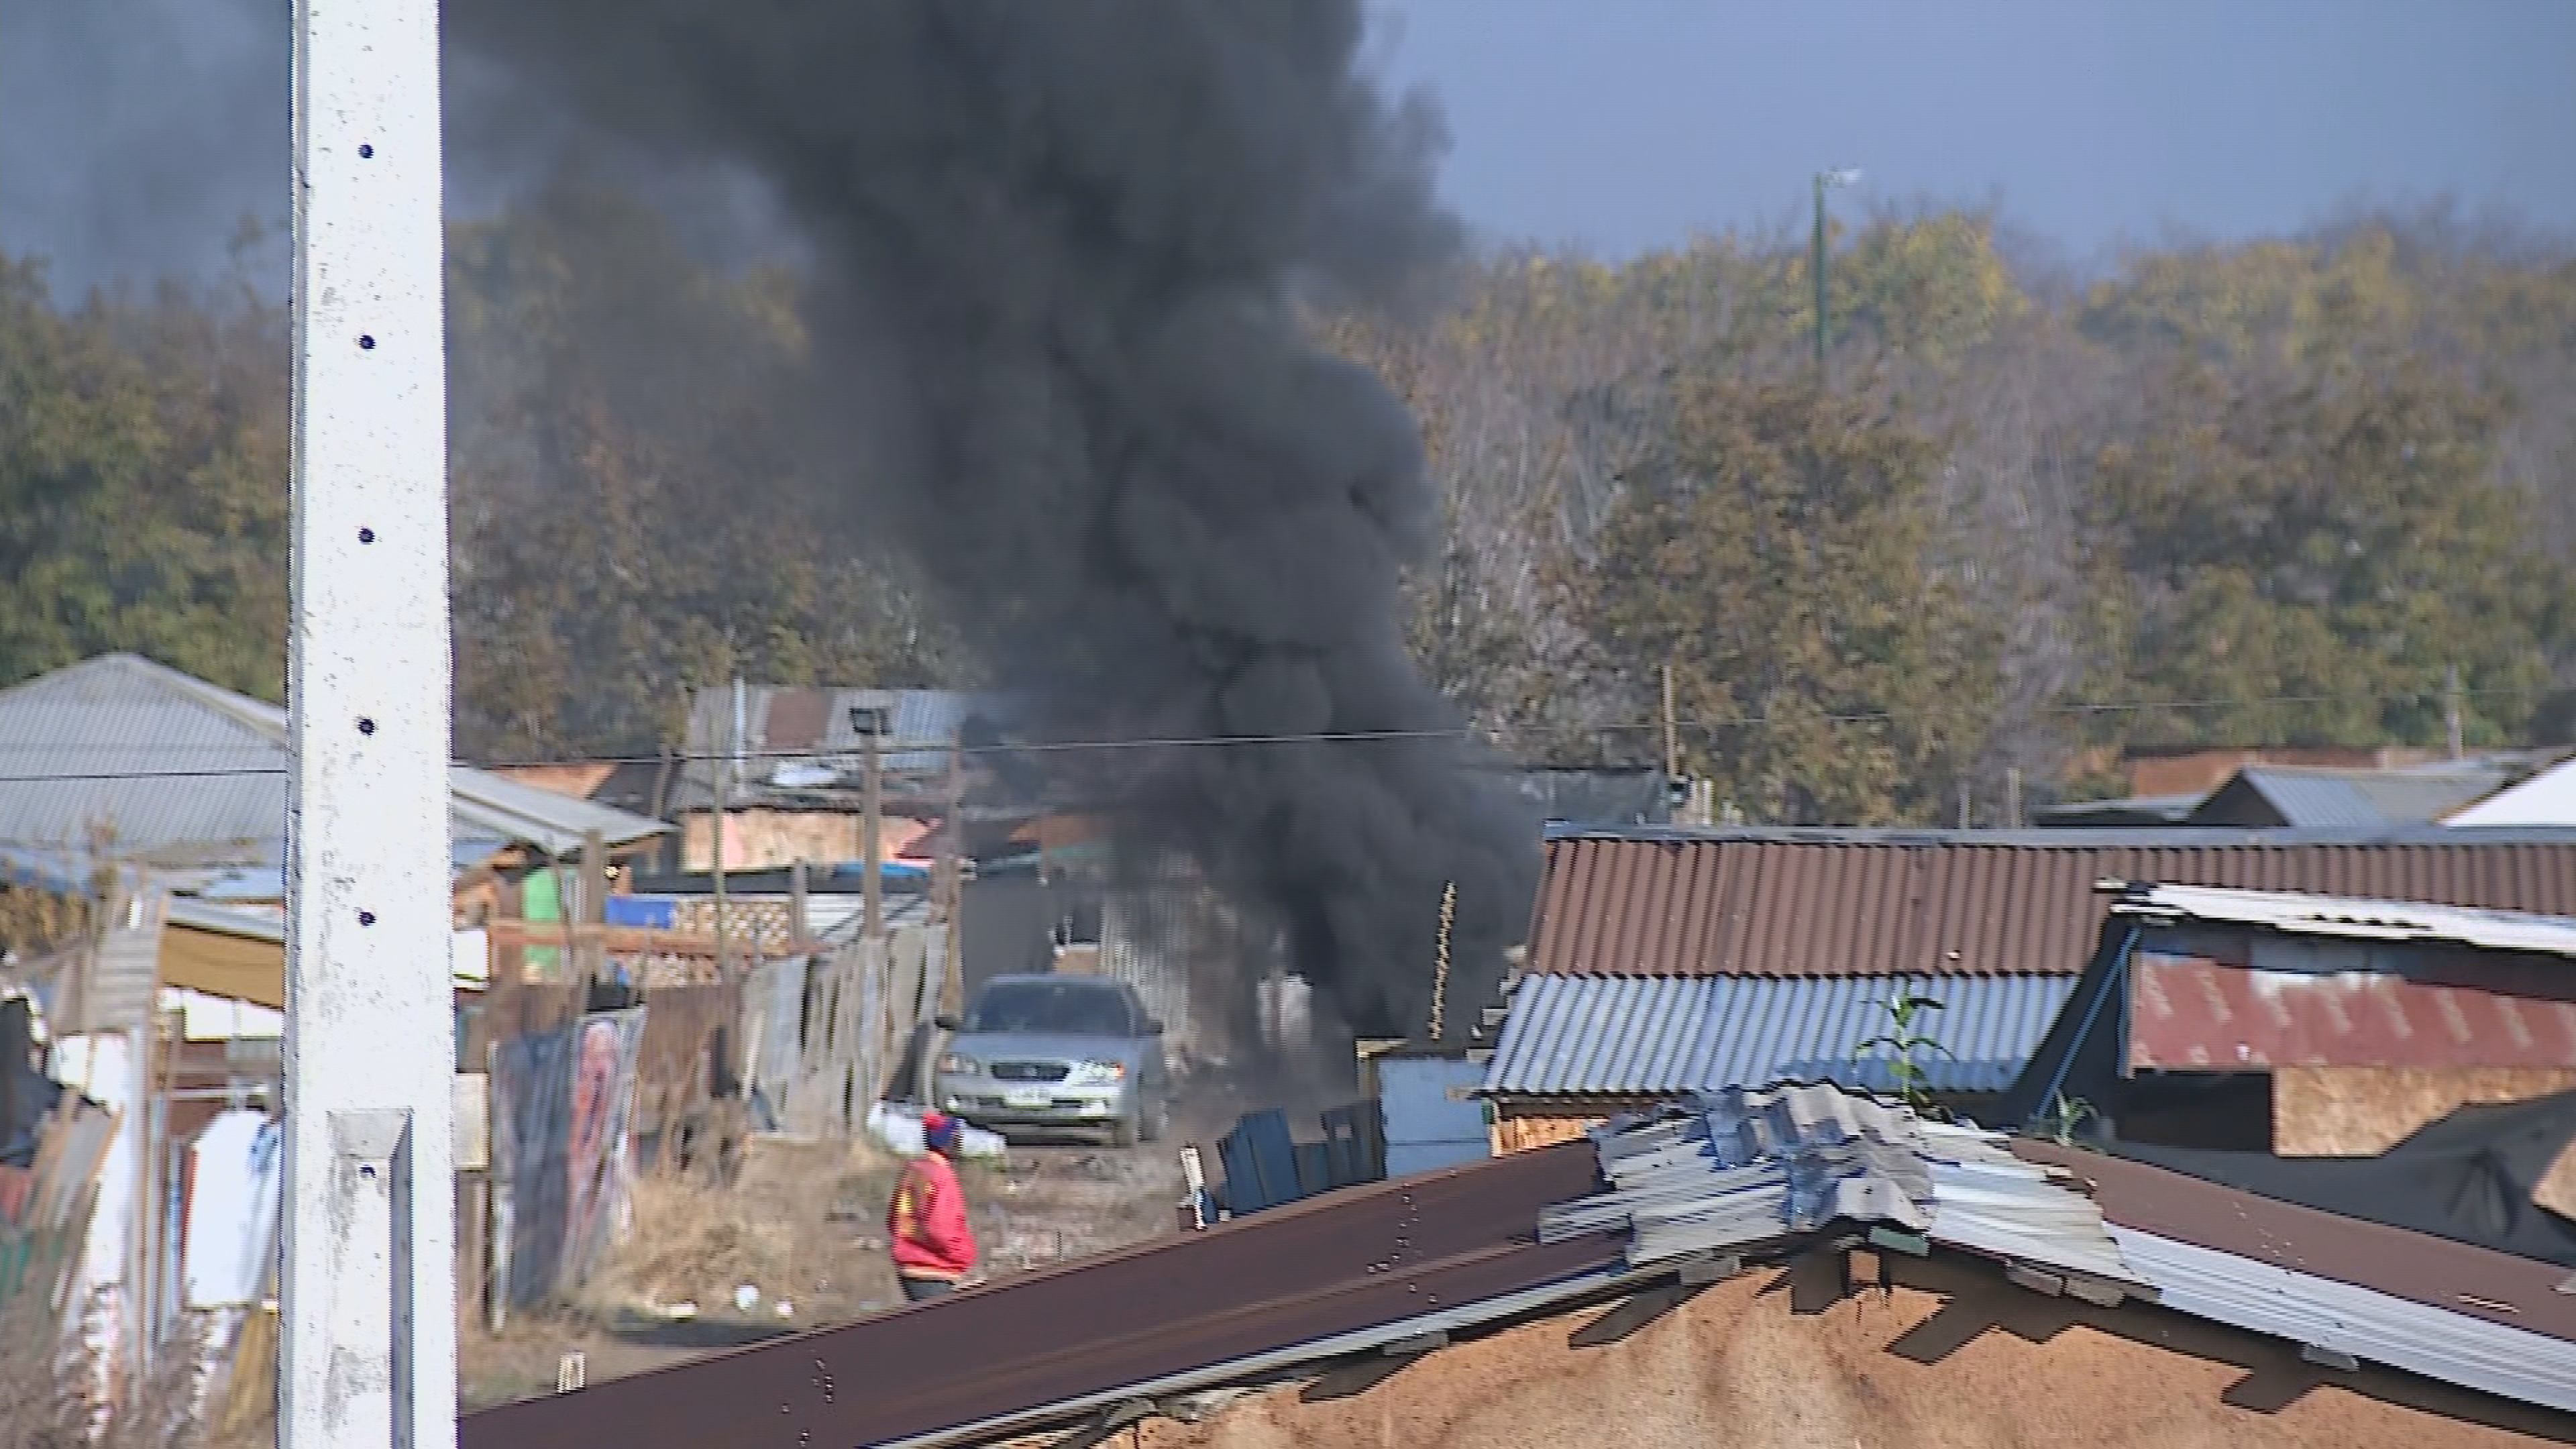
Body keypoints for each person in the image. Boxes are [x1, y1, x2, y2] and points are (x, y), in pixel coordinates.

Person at [888, 1111, 977, 1302]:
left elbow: (896, 1219)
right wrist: (962, 1254)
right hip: (933, 1268)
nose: (960, 1142)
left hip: (910, 1264)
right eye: (957, 1137)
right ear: (946, 1141)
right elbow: (940, 1228)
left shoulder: (915, 1170)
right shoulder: (942, 1177)